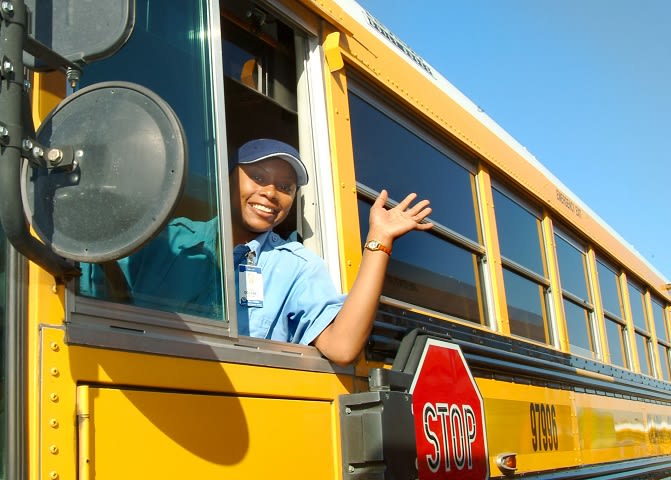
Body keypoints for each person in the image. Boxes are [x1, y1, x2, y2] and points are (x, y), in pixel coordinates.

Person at [230, 138, 432, 365]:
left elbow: (342, 348)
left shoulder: (296, 266)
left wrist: (380, 239)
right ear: (228, 178)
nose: (271, 193)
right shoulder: (183, 238)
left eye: (285, 187)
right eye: (257, 177)